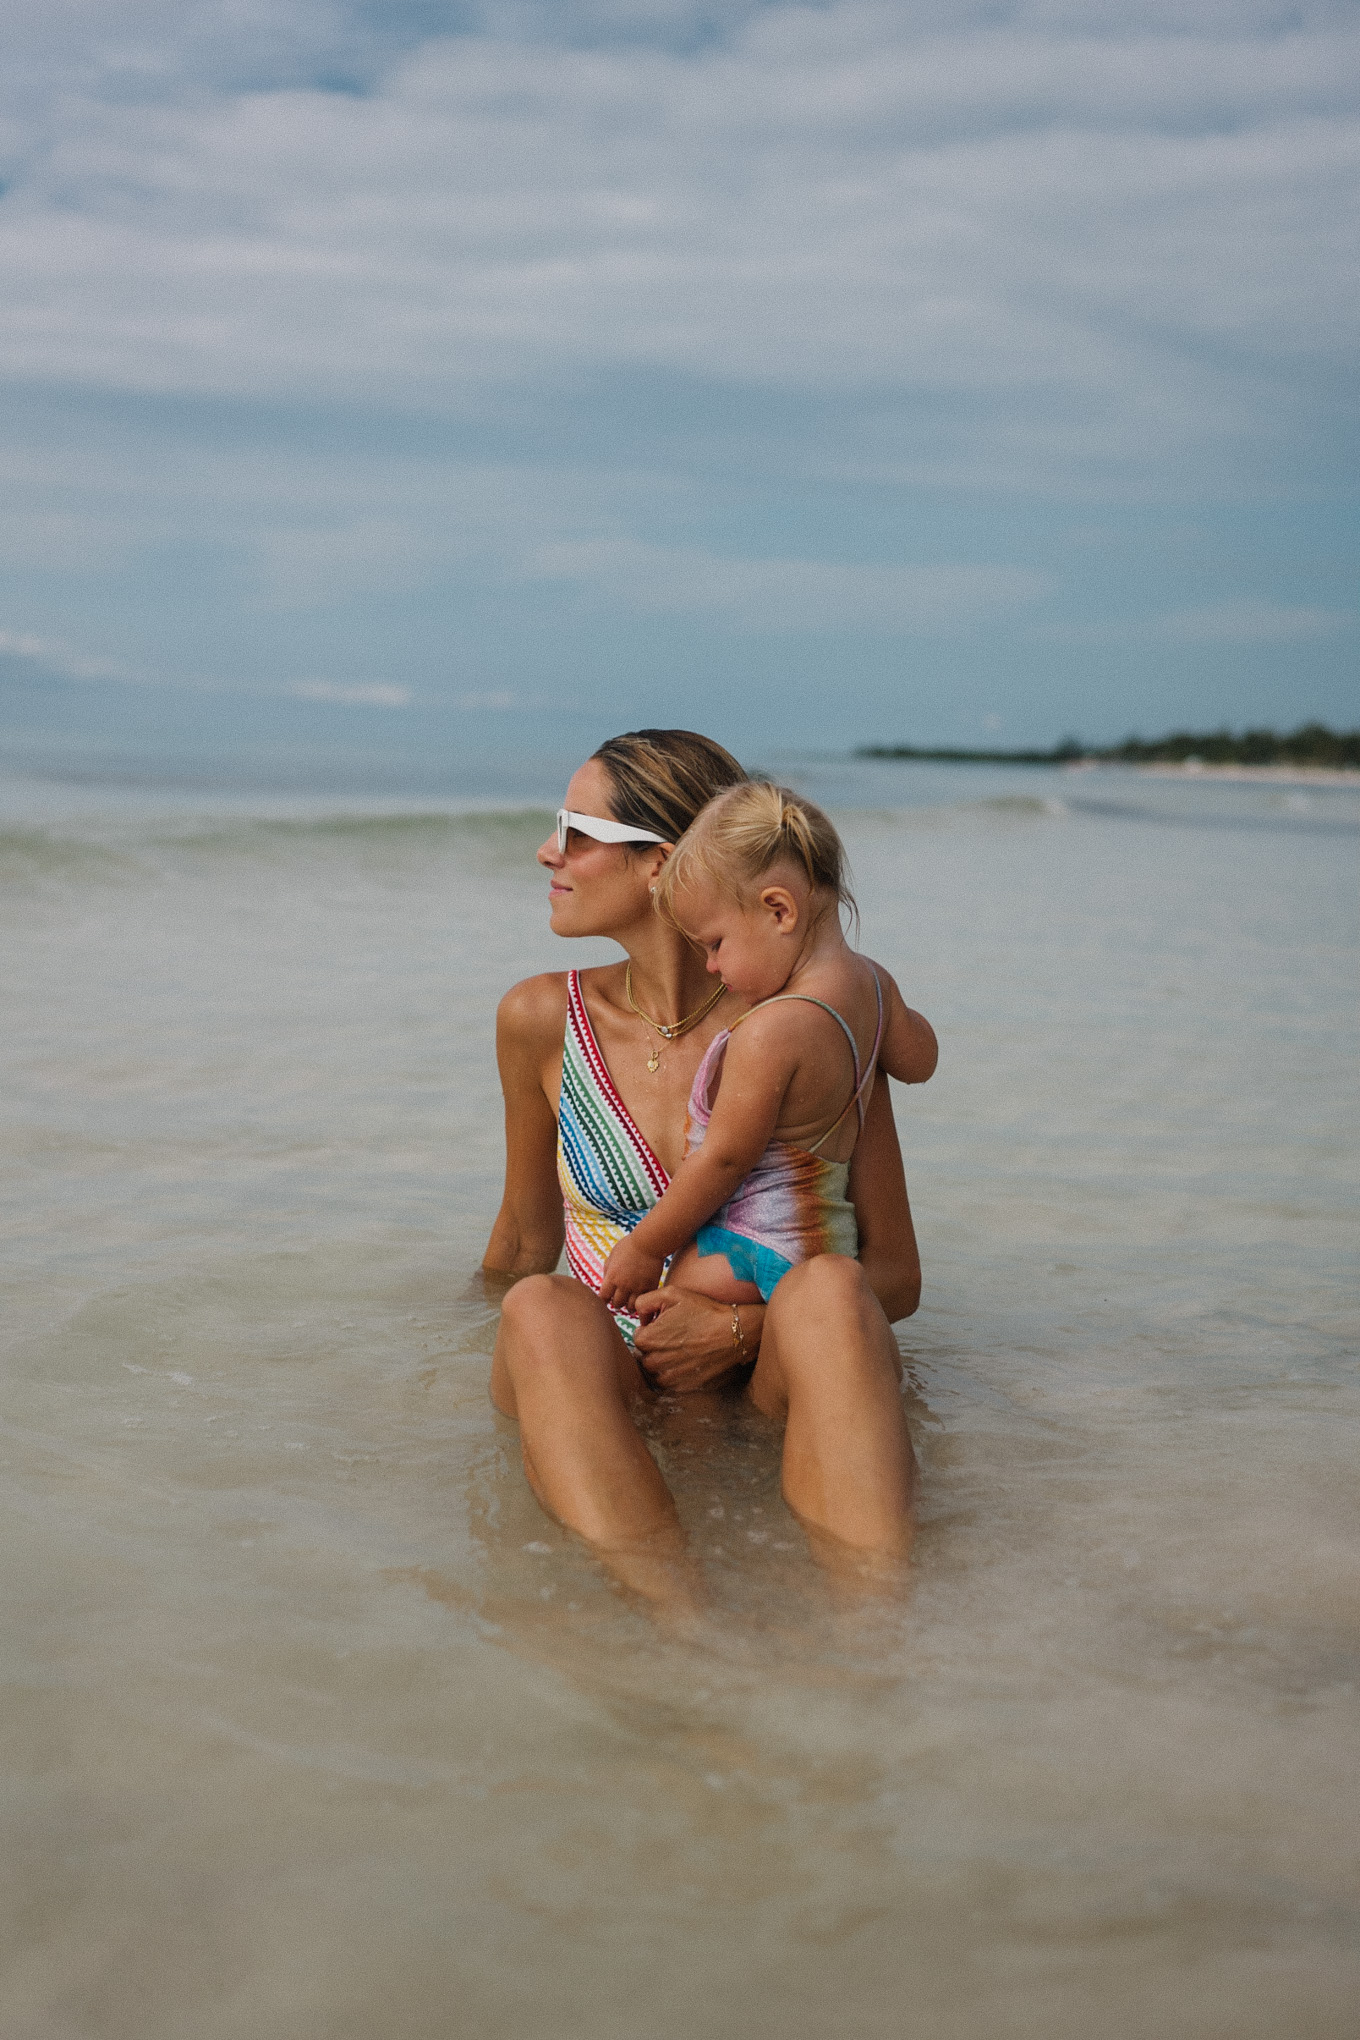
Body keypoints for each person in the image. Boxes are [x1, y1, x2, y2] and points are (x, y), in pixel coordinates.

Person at [483, 729, 938, 1597]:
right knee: (539, 1308)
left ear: (662, 862)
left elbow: (897, 1277)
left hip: (762, 1384)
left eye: (580, 831)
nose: (550, 850)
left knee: (833, 1291)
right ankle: (681, 1635)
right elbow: (519, 1241)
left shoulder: (805, 1029)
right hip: (605, 1381)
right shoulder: (539, 1020)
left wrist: (738, 1331)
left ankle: (875, 1641)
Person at [599, 781, 929, 1317]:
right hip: (828, 1251)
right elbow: (920, 1062)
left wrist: (644, 1247)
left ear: (779, 911)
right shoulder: (875, 985)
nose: (711, 966)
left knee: (664, 1334)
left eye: (715, 944)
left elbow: (724, 1160)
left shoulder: (769, 1031)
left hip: (750, 1254)